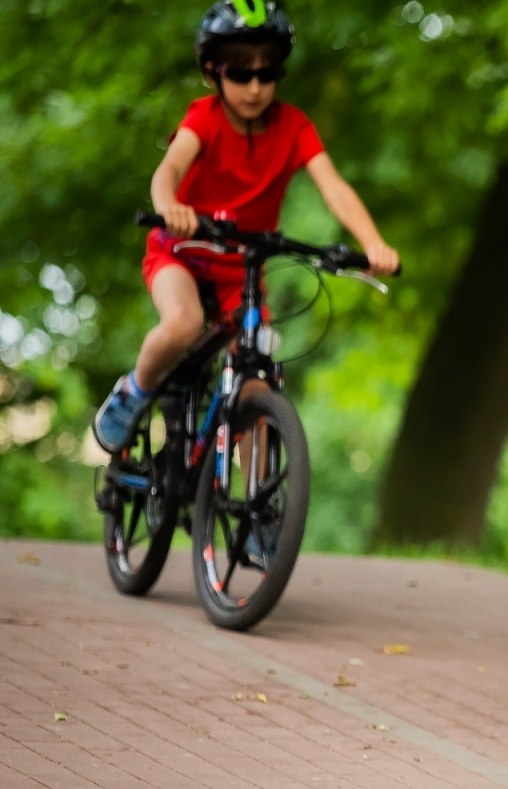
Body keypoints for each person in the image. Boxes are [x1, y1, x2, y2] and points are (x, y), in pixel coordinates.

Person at [93, 0, 399, 454]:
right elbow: (169, 169)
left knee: (257, 377)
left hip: (241, 272)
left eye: (266, 73)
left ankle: (260, 497)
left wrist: (372, 243)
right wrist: (170, 206)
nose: (254, 87)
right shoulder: (205, 118)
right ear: (213, 73)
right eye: (240, 74)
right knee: (183, 324)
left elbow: (333, 187)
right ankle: (133, 392)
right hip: (183, 253)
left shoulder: (294, 127)